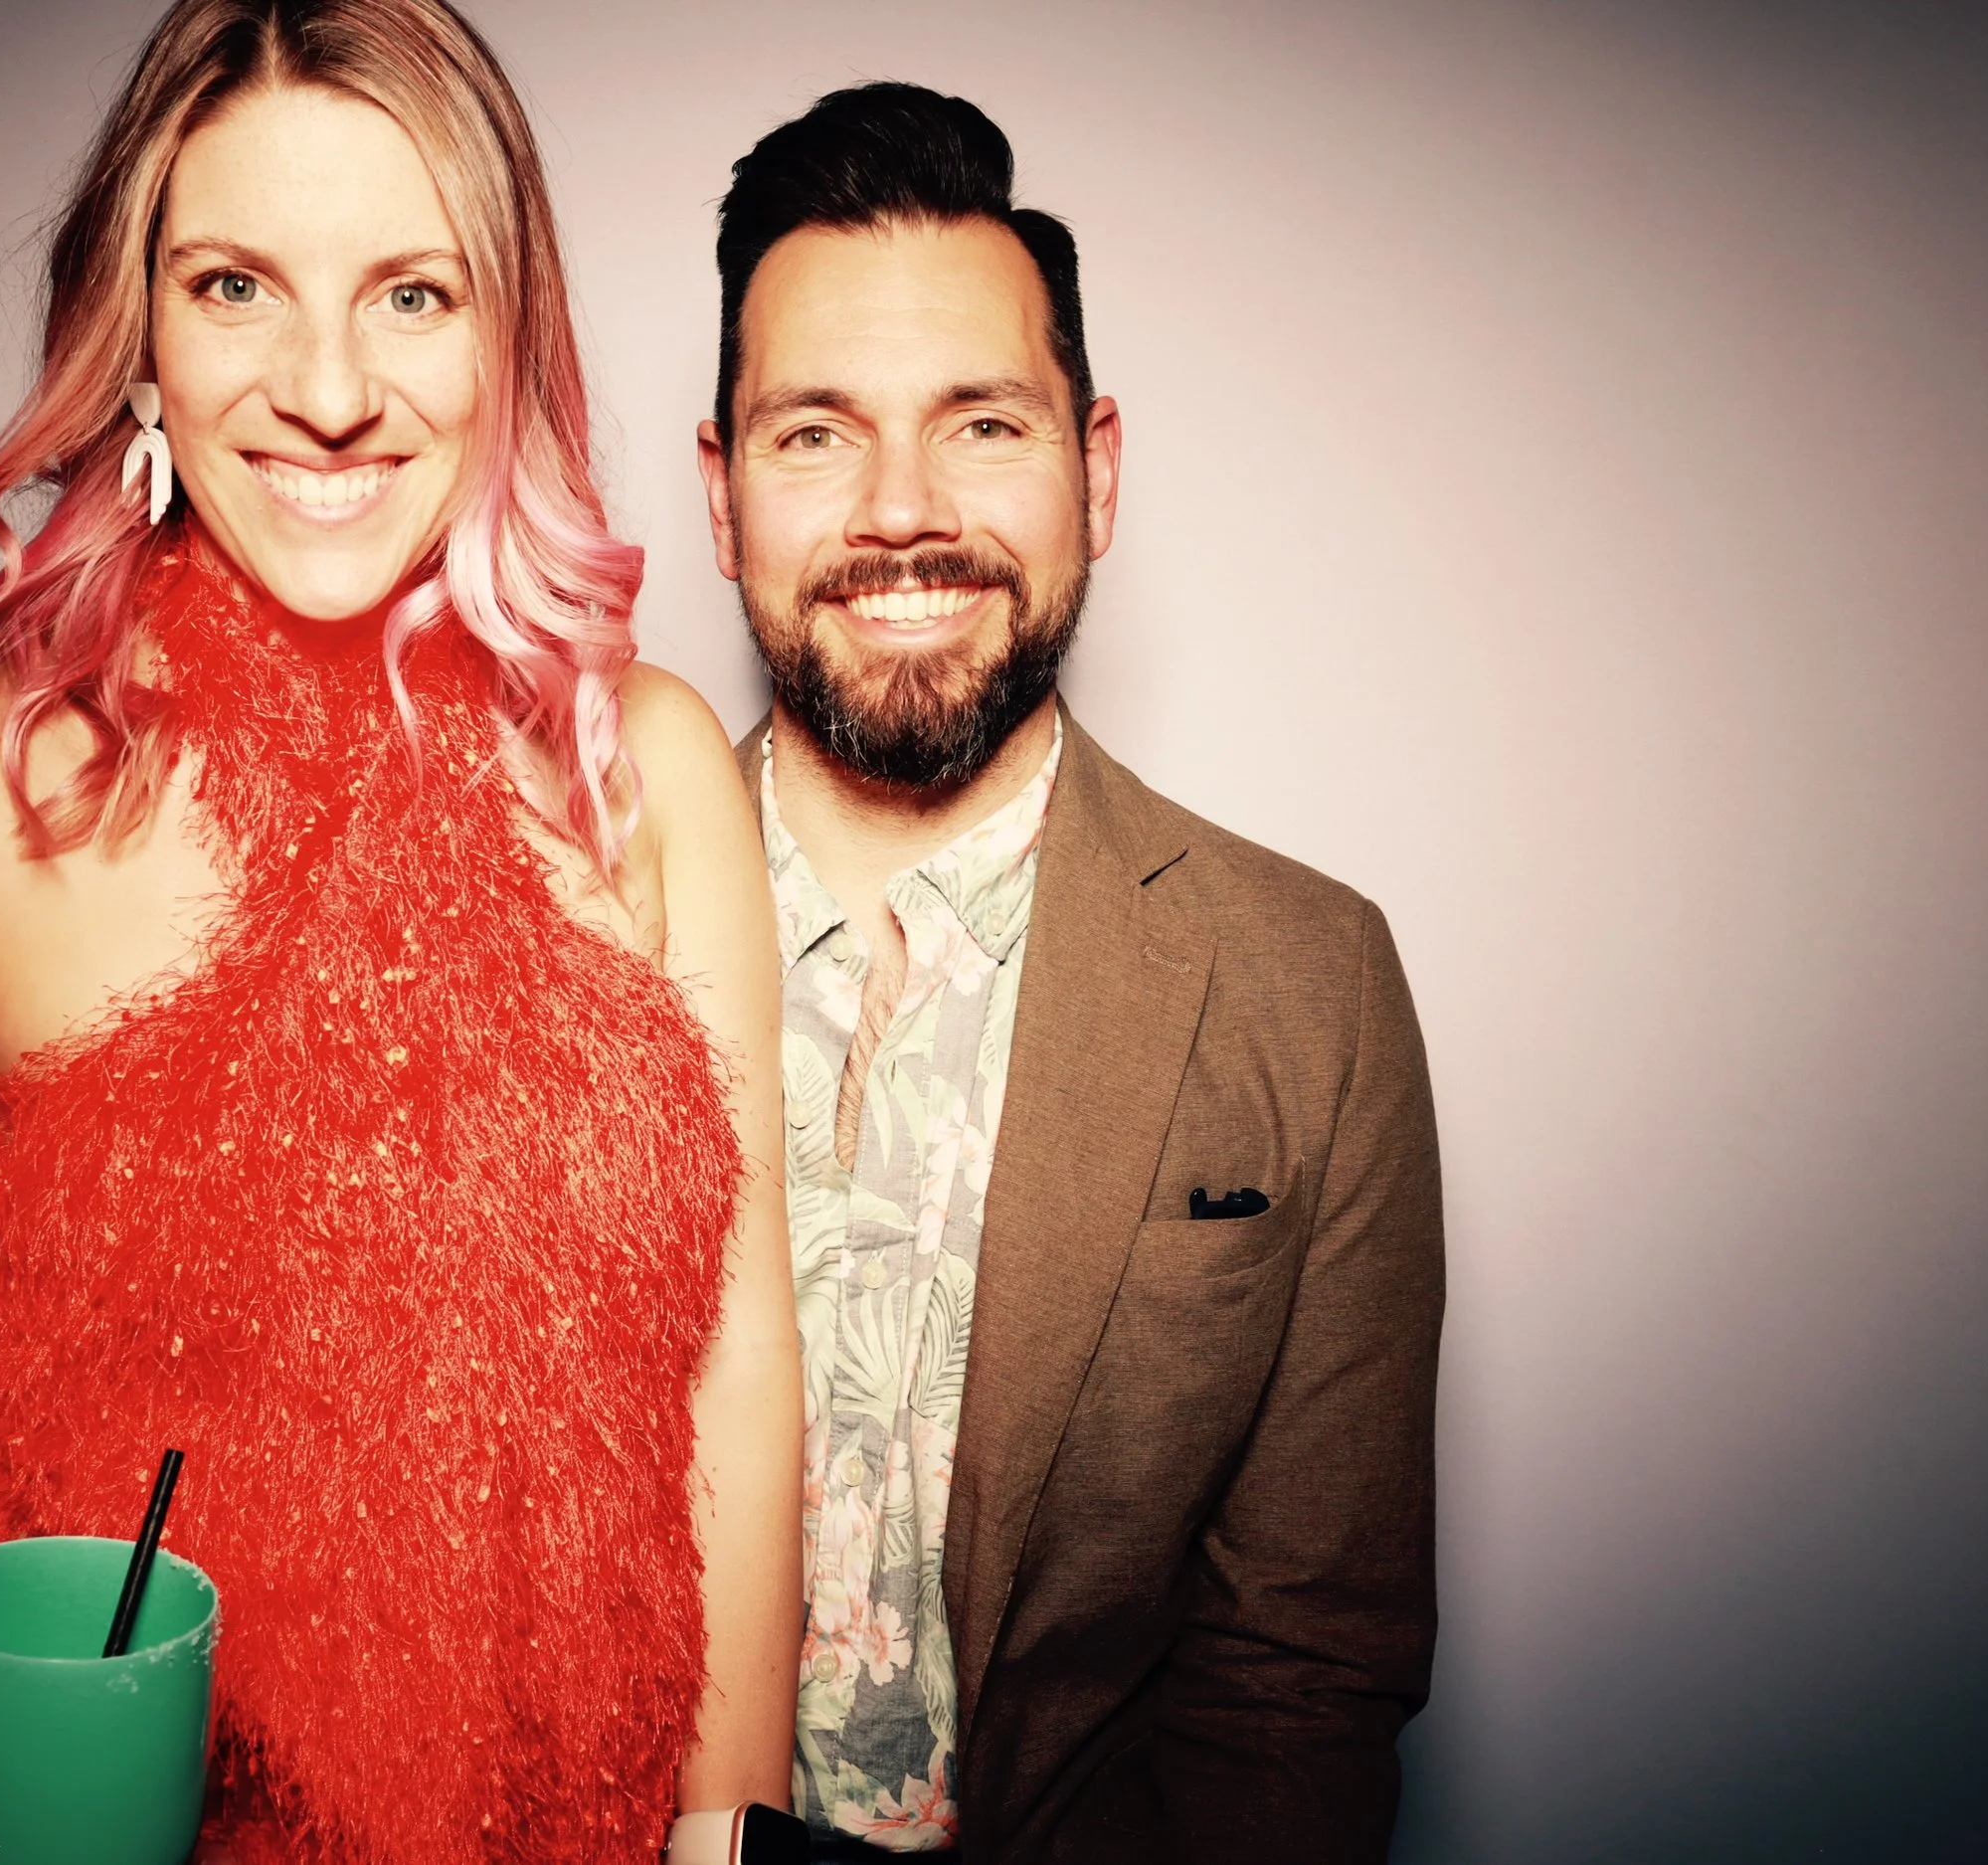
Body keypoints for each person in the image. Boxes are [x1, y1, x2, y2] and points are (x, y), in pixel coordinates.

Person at [0, 3, 801, 1860]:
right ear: (141, 342)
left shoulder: (646, 767)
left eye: (414, 294)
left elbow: (736, 1377)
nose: (330, 387)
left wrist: (724, 1848)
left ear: (509, 337)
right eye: (237, 284)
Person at [693, 84, 1445, 1862]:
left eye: (981, 422)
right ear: (719, 498)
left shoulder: (1310, 990)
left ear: (1096, 471)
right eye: (815, 434)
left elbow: (1301, 1683)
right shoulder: (540, 931)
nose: (901, 511)